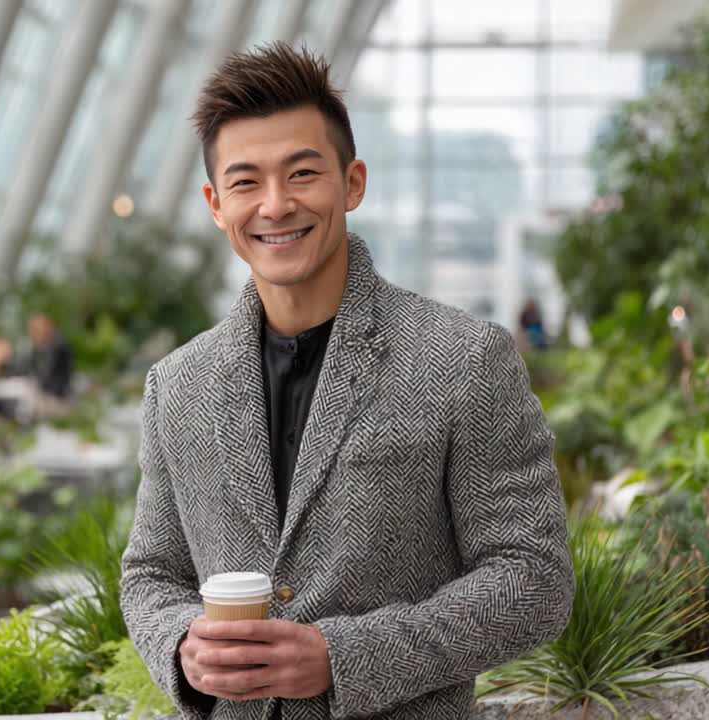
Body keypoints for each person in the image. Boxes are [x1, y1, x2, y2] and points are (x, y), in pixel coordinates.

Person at [119, 43, 573, 720]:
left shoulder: (464, 360)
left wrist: (346, 658)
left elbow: (533, 580)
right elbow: (151, 574)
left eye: (302, 173)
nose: (276, 205)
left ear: (352, 183)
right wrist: (182, 646)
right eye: (246, 183)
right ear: (216, 204)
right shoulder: (178, 386)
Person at [26, 312, 73, 399]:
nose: (33, 333)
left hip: (57, 394)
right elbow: (30, 368)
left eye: (36, 329)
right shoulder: (40, 345)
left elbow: (45, 373)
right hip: (46, 391)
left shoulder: (57, 344)